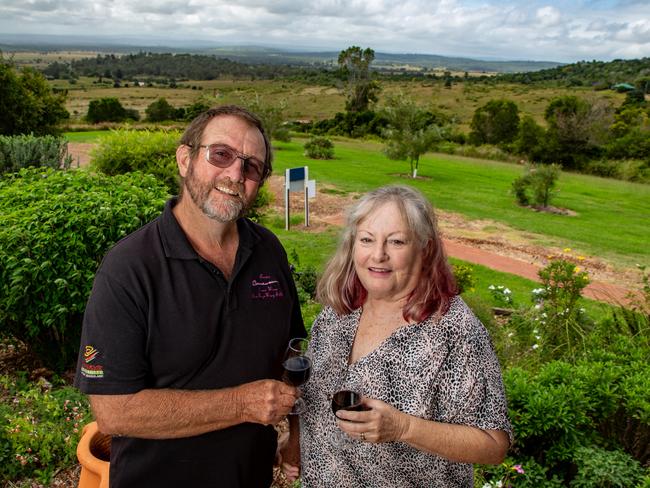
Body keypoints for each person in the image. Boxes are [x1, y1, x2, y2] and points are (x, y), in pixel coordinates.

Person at [75, 105, 305, 487]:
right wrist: (241, 404)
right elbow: (114, 410)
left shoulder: (268, 250)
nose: (235, 174)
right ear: (185, 159)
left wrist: (295, 434)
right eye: (221, 155)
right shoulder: (129, 268)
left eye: (252, 167)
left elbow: (294, 353)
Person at [282, 185, 511, 487]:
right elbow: (312, 397)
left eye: (397, 242)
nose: (378, 255)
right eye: (366, 240)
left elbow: (494, 445)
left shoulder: (454, 330)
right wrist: (295, 444)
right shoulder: (339, 312)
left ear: (425, 248)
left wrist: (403, 427)